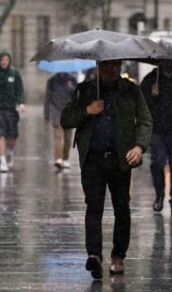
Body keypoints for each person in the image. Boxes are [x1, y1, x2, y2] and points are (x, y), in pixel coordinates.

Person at [61, 60, 152, 279]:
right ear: (97, 67)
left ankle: (118, 255)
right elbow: (66, 118)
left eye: (113, 66)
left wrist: (139, 146)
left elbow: (145, 120)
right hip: (92, 159)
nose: (109, 70)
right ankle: (94, 255)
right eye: (104, 66)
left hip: (121, 160)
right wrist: (87, 110)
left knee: (122, 208)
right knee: (94, 207)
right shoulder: (85, 89)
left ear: (120, 66)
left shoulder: (130, 90)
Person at [140, 60, 172, 215]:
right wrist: (152, 94)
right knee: (157, 162)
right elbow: (142, 103)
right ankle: (159, 195)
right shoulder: (151, 78)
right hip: (157, 129)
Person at [0, 51, 26, 172]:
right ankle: (2, 160)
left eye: (6, 60)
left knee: (12, 135)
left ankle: (9, 152)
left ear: (9, 61)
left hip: (11, 109)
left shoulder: (14, 74)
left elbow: (19, 90)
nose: (4, 62)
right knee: (0, 134)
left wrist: (20, 103)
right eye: (2, 60)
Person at [44, 72, 77, 170]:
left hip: (68, 111)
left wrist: (72, 88)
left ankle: (65, 158)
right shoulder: (52, 81)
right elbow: (47, 98)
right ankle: (58, 159)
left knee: (68, 138)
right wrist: (46, 114)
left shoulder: (73, 80)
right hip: (56, 110)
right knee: (58, 136)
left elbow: (78, 97)